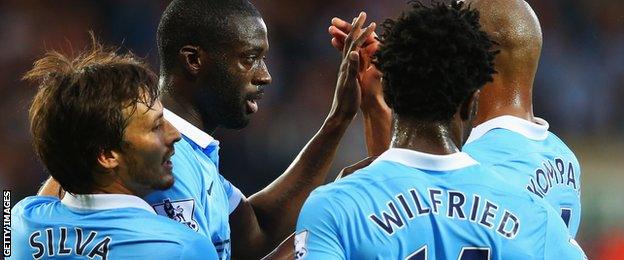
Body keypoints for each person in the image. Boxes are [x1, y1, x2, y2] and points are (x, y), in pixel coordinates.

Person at [40, 1, 376, 259]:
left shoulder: (24, 217)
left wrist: (338, 119)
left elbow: (254, 232)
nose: (265, 76)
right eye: (249, 58)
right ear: (193, 60)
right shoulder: (163, 164)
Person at [295, 2, 586, 259]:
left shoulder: (336, 206)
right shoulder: (546, 194)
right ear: (470, 98)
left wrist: (365, 109)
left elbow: (404, 188)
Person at [12, 41, 218, 259]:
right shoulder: (182, 248)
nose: (175, 134)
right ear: (107, 156)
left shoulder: (20, 226)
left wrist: (73, 128)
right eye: (156, 126)